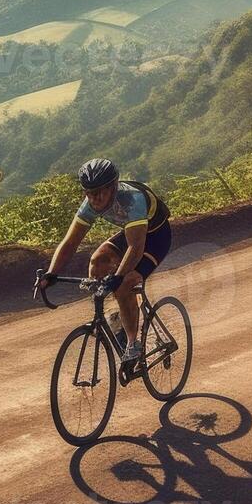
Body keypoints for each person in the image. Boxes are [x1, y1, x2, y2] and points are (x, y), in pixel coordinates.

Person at [35, 159, 172, 373]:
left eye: (99, 192)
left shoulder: (132, 200)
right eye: (88, 192)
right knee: (97, 262)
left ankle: (133, 343)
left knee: (124, 283)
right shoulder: (90, 204)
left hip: (156, 238)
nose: (94, 198)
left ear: (114, 186)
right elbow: (71, 242)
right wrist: (52, 272)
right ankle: (119, 316)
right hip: (131, 233)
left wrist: (118, 277)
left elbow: (136, 248)